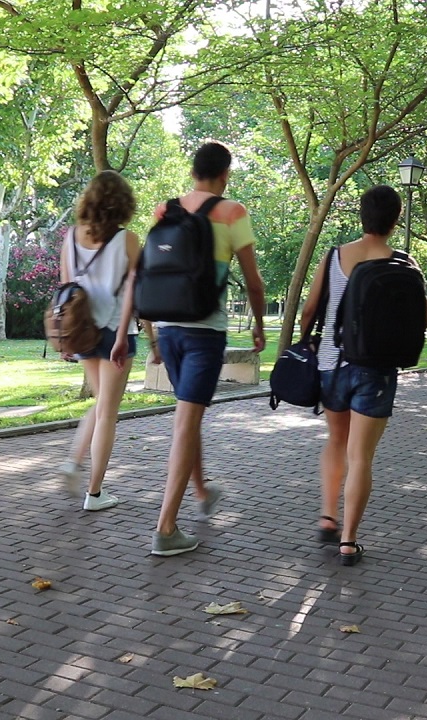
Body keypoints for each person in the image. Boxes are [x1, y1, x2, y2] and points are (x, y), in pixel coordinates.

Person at [298, 185, 427, 566]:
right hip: (377, 369)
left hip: (332, 364)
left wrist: (305, 340)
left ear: (361, 215)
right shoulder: (404, 263)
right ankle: (348, 541)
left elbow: (310, 309)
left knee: (336, 440)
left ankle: (328, 515)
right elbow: (424, 315)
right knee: (361, 457)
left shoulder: (335, 256)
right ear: (396, 218)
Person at [150, 142, 267, 557]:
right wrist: (257, 325)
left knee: (188, 414)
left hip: (167, 329)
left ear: (193, 171)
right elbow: (253, 282)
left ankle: (201, 490)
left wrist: (150, 334)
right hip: (204, 334)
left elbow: (152, 270)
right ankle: (165, 529)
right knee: (185, 422)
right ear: (225, 175)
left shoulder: (165, 211)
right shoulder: (232, 212)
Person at [56, 171, 145, 512]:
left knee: (100, 403)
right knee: (108, 410)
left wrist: (66, 340)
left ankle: (73, 461)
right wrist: (123, 336)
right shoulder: (129, 240)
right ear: (123, 204)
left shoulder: (70, 237)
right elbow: (134, 295)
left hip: (81, 329)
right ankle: (94, 493)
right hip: (115, 329)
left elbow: (66, 290)